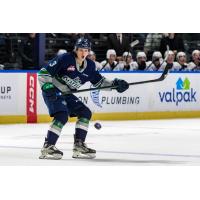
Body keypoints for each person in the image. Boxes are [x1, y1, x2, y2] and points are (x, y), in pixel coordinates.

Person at [38, 37, 129, 160]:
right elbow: (44, 73)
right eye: (81, 50)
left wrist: (115, 85)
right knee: (62, 115)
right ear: (76, 49)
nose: (83, 53)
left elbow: (99, 82)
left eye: (86, 50)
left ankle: (79, 146)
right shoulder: (65, 58)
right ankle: (48, 147)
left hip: (66, 93)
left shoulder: (90, 66)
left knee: (85, 113)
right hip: (53, 90)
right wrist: (48, 87)